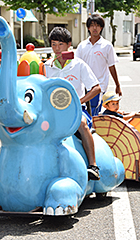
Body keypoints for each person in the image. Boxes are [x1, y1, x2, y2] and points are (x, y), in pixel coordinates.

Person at [44, 26, 102, 180]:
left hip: (76, 110)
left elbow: (96, 88)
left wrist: (78, 101)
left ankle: (93, 165)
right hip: (53, 111)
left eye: (60, 44)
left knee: (82, 124)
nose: (57, 48)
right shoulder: (47, 66)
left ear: (69, 44)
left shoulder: (78, 64)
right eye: (54, 44)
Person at [75, 14, 121, 116]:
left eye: (97, 25)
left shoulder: (107, 45)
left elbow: (111, 66)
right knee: (83, 112)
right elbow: (76, 66)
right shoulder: (82, 46)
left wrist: (117, 85)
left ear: (101, 28)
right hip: (84, 86)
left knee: (94, 112)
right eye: (92, 25)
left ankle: (92, 131)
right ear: (88, 28)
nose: (94, 28)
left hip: (99, 86)